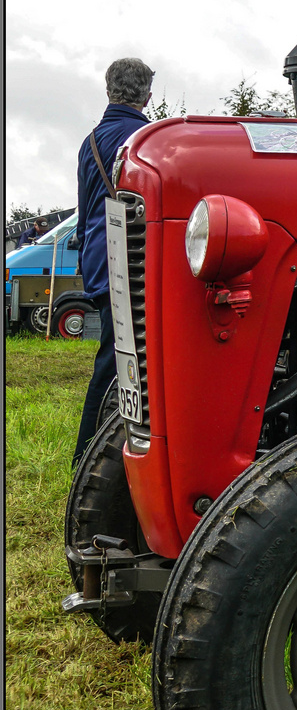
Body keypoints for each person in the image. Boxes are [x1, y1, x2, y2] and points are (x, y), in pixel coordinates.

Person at [73, 57, 153, 465]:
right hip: (132, 263)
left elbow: (85, 211)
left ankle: (94, 449)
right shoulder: (145, 138)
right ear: (148, 96)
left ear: (109, 91)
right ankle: (89, 454)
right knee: (119, 362)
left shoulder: (89, 142)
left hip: (100, 260)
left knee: (114, 357)